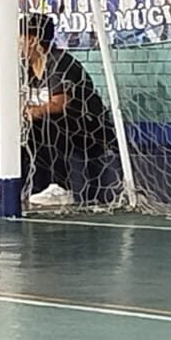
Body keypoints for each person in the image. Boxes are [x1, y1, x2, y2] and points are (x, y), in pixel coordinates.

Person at [20, 13, 113, 207]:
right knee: (23, 127)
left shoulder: (59, 62)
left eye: (19, 38)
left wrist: (34, 111)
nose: (16, 44)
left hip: (89, 127)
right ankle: (25, 185)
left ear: (32, 39)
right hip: (61, 124)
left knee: (50, 121)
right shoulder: (26, 67)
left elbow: (59, 104)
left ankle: (61, 187)